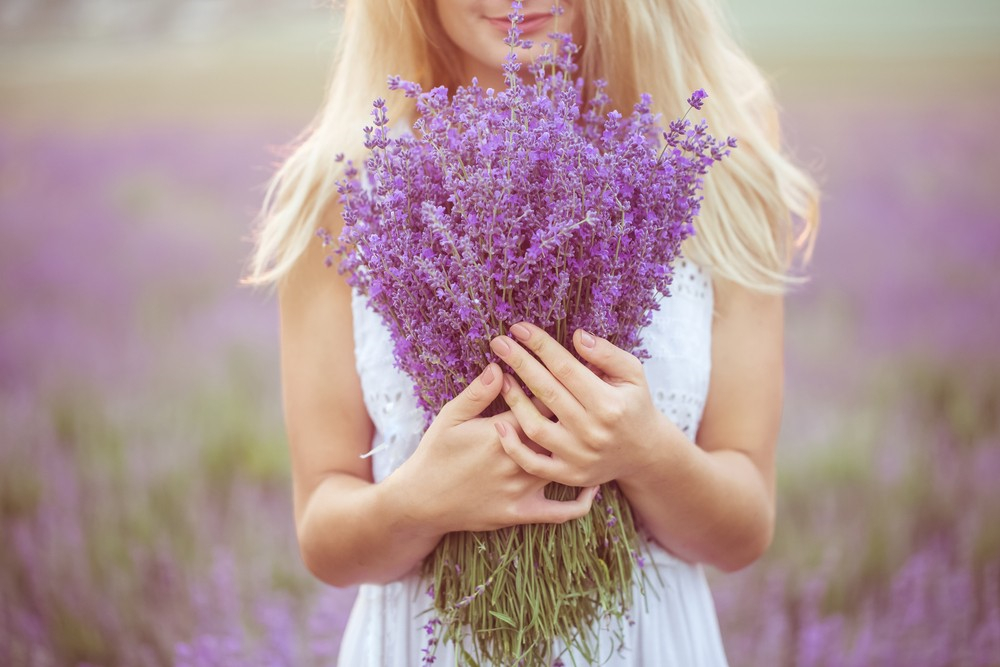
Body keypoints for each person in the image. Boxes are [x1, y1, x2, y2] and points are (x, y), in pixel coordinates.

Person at [247, 0, 819, 664]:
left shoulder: (711, 173)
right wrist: (417, 502)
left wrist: (646, 454)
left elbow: (744, 528)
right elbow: (323, 531)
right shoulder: (346, 189)